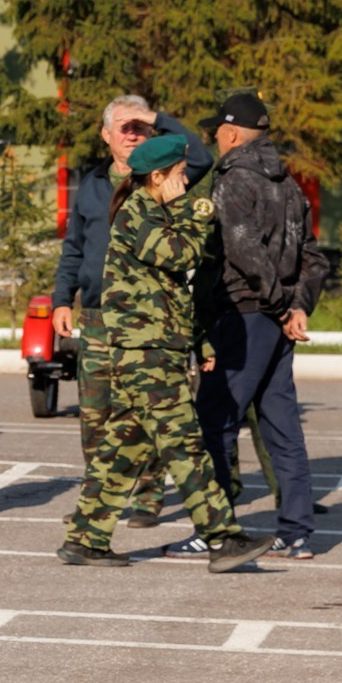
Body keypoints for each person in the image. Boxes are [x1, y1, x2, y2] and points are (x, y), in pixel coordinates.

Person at [58, 133, 276, 571]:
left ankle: (86, 538)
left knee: (124, 447)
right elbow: (182, 255)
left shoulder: (153, 210)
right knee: (185, 446)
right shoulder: (139, 213)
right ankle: (223, 538)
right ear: (157, 177)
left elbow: (175, 283)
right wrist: (187, 210)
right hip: (145, 353)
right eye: (179, 176)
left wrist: (197, 339)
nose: (186, 183)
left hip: (154, 347)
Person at [51, 95, 207, 524]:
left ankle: (148, 497)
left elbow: (203, 152)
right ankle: (96, 504)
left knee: (146, 411)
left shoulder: (164, 179)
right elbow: (74, 249)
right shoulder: (92, 184)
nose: (134, 132)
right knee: (96, 415)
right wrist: (62, 299)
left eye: (141, 126)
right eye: (125, 126)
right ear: (106, 135)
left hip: (145, 322)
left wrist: (158, 117)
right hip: (99, 318)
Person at [189, 91, 328, 561]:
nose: (215, 140)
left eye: (216, 132)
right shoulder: (288, 184)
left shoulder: (232, 179)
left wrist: (277, 306)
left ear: (230, 134)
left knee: (215, 421)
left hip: (246, 314)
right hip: (276, 317)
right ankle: (296, 532)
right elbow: (313, 258)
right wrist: (297, 305)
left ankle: (214, 530)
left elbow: (243, 250)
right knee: (281, 426)